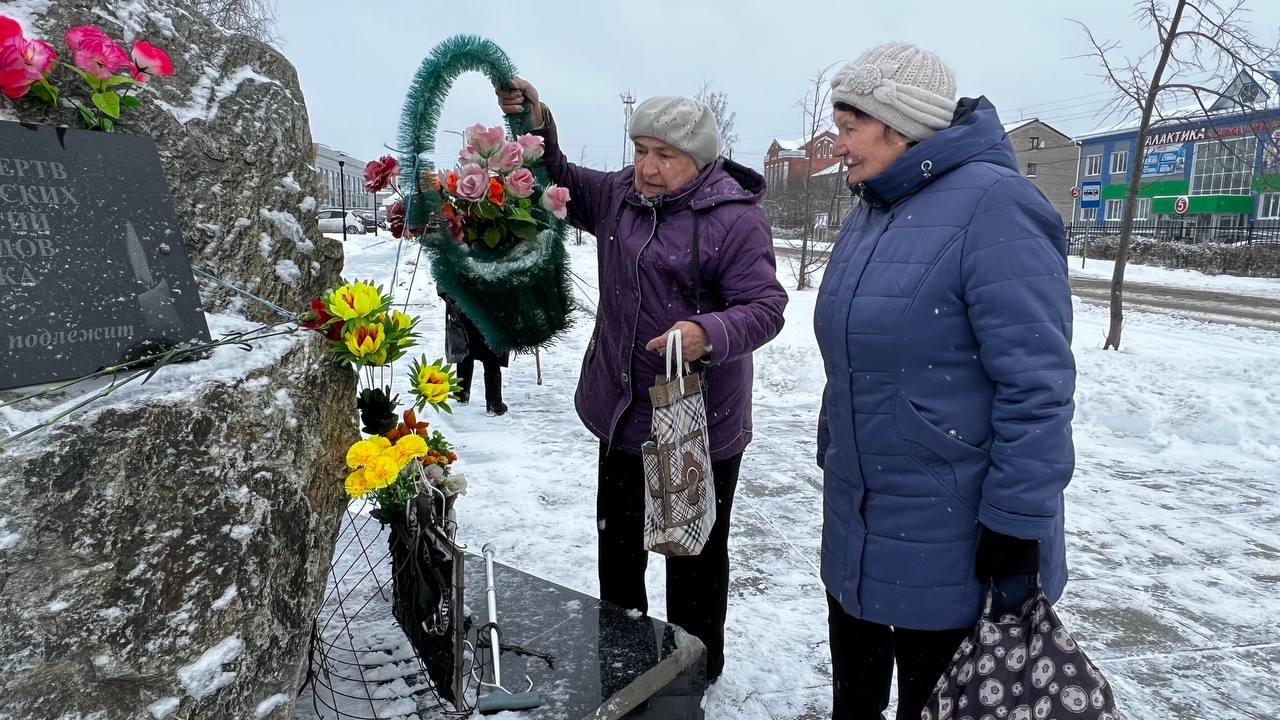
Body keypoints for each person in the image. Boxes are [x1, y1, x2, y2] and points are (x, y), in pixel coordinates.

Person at [813, 43, 1075, 719]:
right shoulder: (872, 209)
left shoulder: (996, 207)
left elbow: (1037, 385)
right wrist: (833, 446)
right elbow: (852, 353)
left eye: (849, 128)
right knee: (854, 704)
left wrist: (1017, 523)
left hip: (954, 536)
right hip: (859, 516)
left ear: (899, 125)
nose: (837, 146)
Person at [496, 81, 788, 682]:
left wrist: (708, 331)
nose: (647, 168)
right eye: (641, 150)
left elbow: (766, 306)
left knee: (693, 557)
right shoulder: (619, 195)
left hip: (697, 423)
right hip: (623, 411)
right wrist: (536, 120)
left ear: (698, 160)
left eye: (665, 155)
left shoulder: (735, 220)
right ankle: (625, 660)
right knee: (620, 549)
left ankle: (694, 668)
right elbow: (560, 178)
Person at [441, 292, 509, 416]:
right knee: (490, 354)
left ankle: (461, 394)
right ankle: (493, 404)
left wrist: (451, 299)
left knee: (466, 346)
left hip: (464, 305)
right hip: (489, 307)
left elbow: (442, 284)